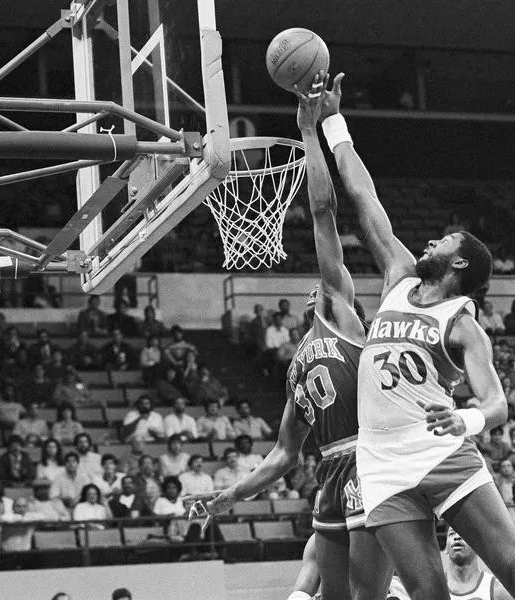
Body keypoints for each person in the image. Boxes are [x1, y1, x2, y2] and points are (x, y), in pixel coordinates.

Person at [315, 72, 515, 600]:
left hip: (439, 452)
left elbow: (498, 403)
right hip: (380, 462)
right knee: (426, 594)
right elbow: (362, 195)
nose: (430, 239)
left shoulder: (462, 323)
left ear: (459, 262)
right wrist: (330, 120)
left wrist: (466, 418)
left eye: (444, 239)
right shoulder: (399, 274)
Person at [204, 76, 391, 600]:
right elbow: (284, 454)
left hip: (369, 458)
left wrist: (309, 132)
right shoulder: (296, 368)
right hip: (330, 468)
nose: (318, 288)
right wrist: (231, 496)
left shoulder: (343, 318)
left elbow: (324, 213)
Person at [387, 528, 515, 600]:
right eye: (452, 534)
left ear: (478, 546)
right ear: (446, 549)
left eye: (464, 534)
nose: (457, 537)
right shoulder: (430, 589)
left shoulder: (496, 590)